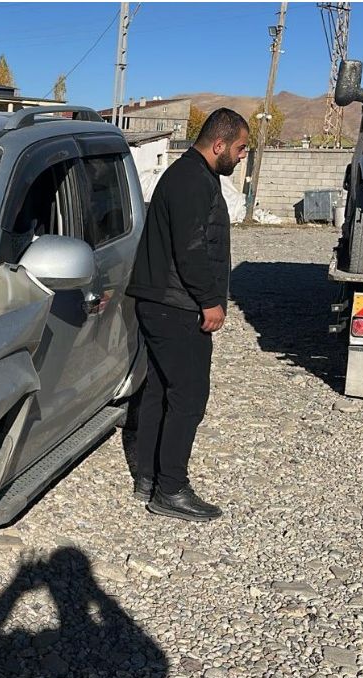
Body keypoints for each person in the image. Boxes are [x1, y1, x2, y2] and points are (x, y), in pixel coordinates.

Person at [126, 108, 249, 522]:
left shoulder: (190, 176)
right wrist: (210, 300)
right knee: (189, 397)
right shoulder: (192, 180)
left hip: (164, 302)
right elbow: (191, 248)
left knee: (161, 390)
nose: (242, 156)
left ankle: (149, 478)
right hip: (176, 305)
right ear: (219, 144)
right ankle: (171, 490)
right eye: (240, 149)